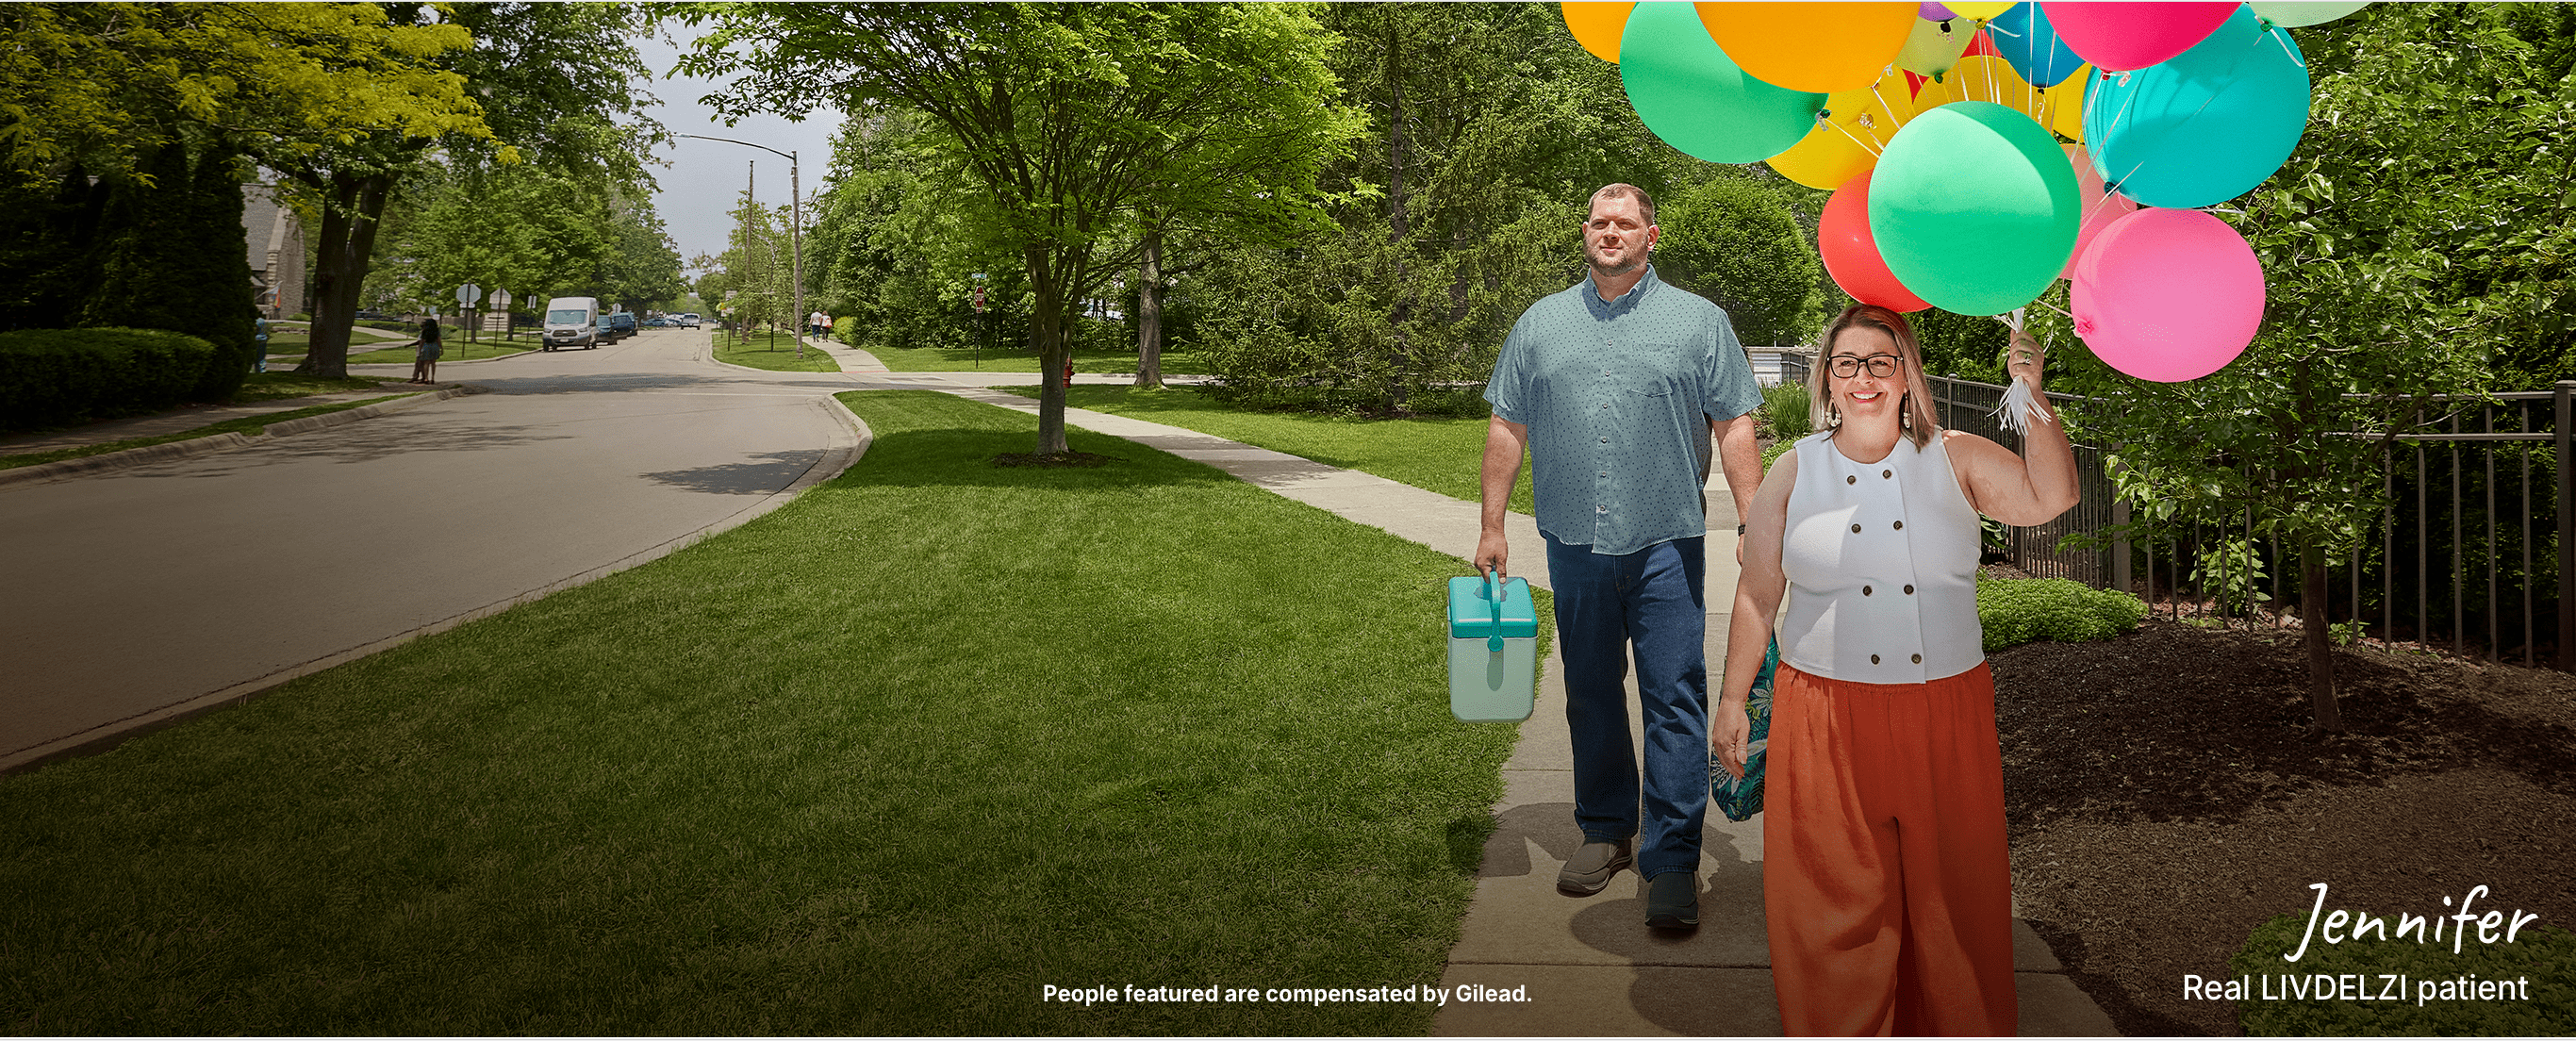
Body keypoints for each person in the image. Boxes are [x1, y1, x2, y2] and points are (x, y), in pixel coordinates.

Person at [1714, 304, 2077, 1034]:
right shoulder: (1794, 470)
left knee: (1953, 900)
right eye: (1846, 363)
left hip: (1943, 710)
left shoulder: (1957, 455)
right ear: (1827, 379)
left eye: (1882, 361)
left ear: (1908, 375)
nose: (1864, 378)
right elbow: (1758, 593)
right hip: (1820, 713)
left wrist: (2032, 395)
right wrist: (1730, 699)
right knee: (1832, 903)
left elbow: (2052, 496)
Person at [1475, 183, 1765, 931]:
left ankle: (1671, 859)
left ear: (1651, 236)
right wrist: (1493, 525)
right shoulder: (1540, 325)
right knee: (1592, 690)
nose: (1611, 232)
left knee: (1675, 696)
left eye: (1625, 223)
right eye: (1600, 222)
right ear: (1586, 232)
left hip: (1667, 541)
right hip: (1571, 541)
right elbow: (1508, 426)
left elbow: (1735, 423)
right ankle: (1605, 831)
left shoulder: (1700, 323)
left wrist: (1756, 517)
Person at [405, 318, 443, 384]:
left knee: (426, 363)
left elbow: (422, 341)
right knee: (433, 363)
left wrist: (420, 351)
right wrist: (441, 348)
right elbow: (439, 340)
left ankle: (425, 378)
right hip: (435, 346)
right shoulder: (436, 331)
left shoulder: (425, 331)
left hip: (426, 346)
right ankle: (432, 378)